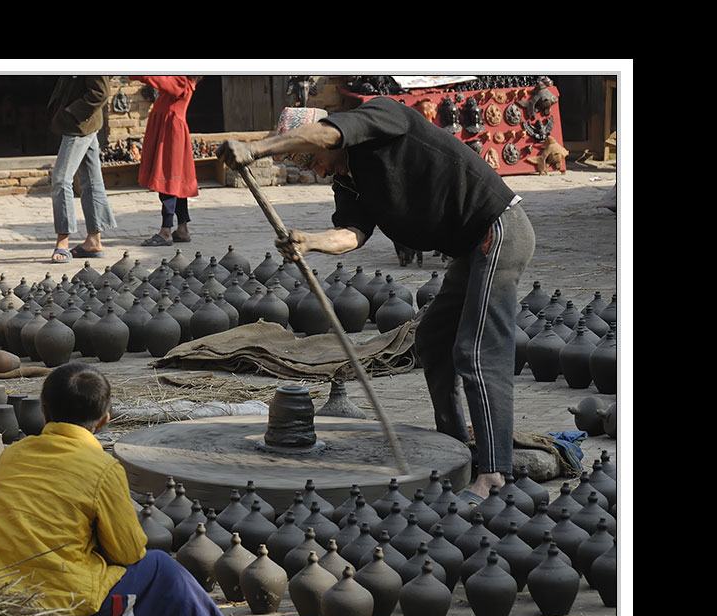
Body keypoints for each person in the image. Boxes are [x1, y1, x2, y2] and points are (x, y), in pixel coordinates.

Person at [216, 97, 536, 505]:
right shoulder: (349, 180)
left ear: (328, 136)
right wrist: (309, 242)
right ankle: (456, 449)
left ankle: (494, 473)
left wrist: (257, 148)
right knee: (433, 342)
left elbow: (331, 130)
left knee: (475, 351)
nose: (313, 168)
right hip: (469, 249)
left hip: (498, 230)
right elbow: (353, 233)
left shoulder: (385, 118)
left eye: (310, 157)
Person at [0, 362, 242, 616]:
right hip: (62, 604)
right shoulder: (103, 468)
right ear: (104, 421)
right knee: (161, 567)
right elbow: (128, 552)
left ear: (43, 410)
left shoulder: (12, 455)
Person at [46, 76, 117, 262]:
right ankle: (94, 240)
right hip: (81, 123)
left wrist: (72, 112)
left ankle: (63, 241)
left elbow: (101, 92)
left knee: (61, 180)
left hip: (79, 125)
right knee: (91, 181)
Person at [129, 75, 201, 246]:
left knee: (168, 177)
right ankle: (182, 229)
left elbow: (160, 80)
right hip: (167, 129)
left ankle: (166, 231)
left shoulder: (182, 81)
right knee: (177, 182)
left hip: (171, 132)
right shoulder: (182, 79)